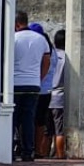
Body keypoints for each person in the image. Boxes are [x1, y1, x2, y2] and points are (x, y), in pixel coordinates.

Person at [13, 11, 50, 162]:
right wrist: (39, 77)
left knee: (13, 119)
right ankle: (28, 151)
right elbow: (47, 60)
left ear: (16, 24)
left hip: (14, 84)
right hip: (33, 84)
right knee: (29, 119)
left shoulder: (13, 38)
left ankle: (10, 150)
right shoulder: (41, 39)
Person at [30, 22, 58, 158]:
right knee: (40, 121)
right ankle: (38, 149)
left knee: (30, 119)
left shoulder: (41, 49)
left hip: (36, 88)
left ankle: (32, 147)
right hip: (47, 90)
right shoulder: (52, 50)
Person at [47, 29, 68, 159]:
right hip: (59, 97)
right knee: (59, 130)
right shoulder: (68, 57)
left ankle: (43, 154)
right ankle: (60, 156)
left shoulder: (50, 54)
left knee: (46, 130)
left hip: (46, 94)